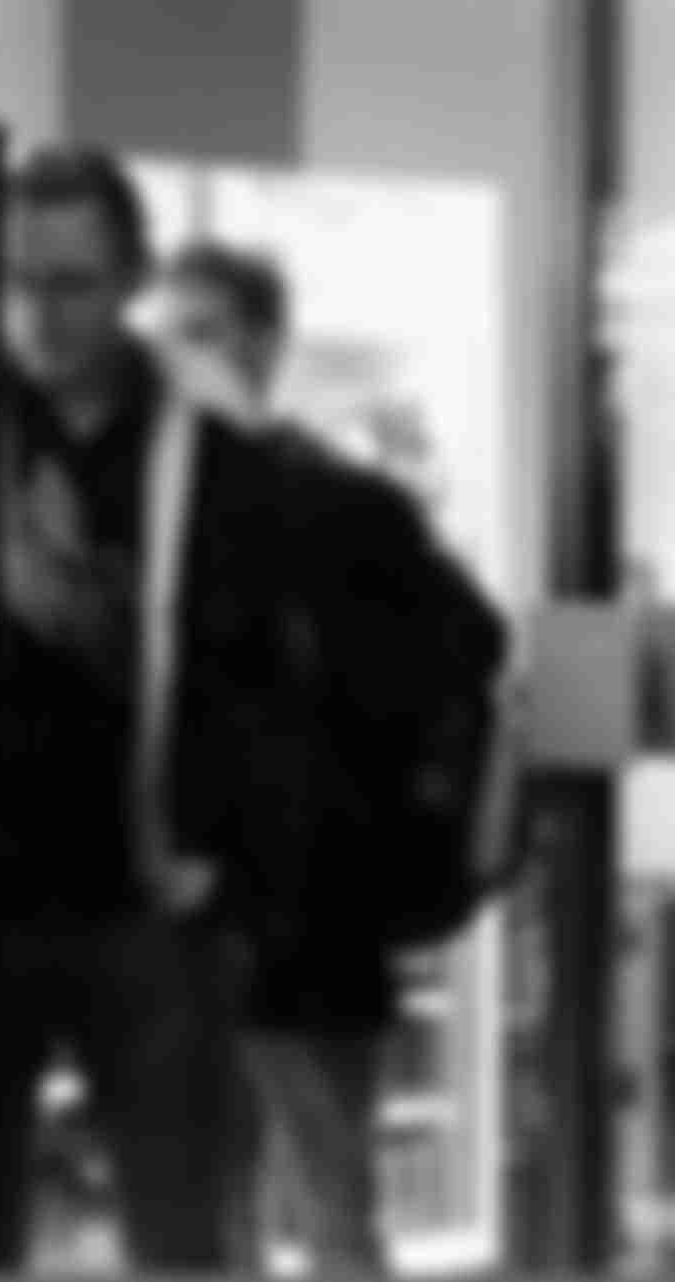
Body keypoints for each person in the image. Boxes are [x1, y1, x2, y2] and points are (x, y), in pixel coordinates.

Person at [0, 148, 322, 1271]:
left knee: (185, 1230)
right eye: (16, 281)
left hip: (154, 907)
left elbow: (277, 668)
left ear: (132, 279)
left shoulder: (215, 447)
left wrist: (230, 857)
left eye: (70, 283)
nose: (38, 314)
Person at [151, 240, 511, 1273]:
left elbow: (467, 641)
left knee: (330, 1197)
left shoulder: (341, 502)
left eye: (202, 333)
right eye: (166, 336)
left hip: (308, 918)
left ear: (263, 345)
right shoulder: (161, 501)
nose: (179, 358)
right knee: (199, 1206)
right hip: (184, 920)